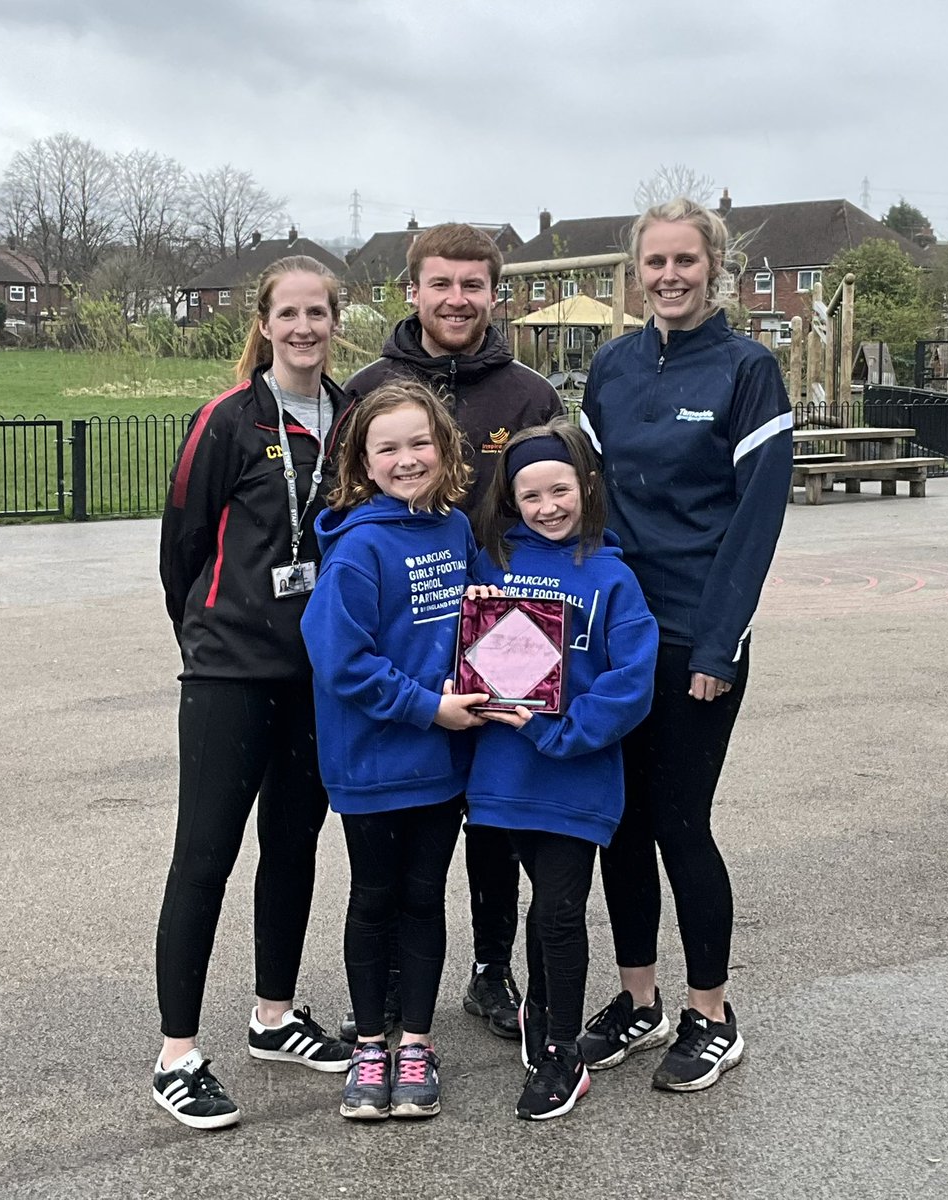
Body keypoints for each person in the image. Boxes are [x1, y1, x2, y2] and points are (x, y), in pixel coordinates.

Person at [577, 198, 793, 1092]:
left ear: (715, 269)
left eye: (685, 262)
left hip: (696, 640)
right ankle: (639, 999)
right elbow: (585, 504)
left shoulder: (747, 372)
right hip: (617, 637)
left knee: (678, 823)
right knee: (618, 826)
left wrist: (716, 647)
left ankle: (711, 1012)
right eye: (654, 264)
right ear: (637, 274)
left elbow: (755, 520)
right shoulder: (611, 369)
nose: (669, 277)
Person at [343, 222, 563, 1041]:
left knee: (496, 819)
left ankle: (488, 968)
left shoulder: (528, 393)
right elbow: (343, 507)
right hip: (408, 646)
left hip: (504, 640)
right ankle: (391, 1001)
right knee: (405, 839)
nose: (456, 299)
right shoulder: (367, 386)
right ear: (413, 291)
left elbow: (552, 501)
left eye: (473, 285)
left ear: (494, 294)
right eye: (441, 283)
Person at [153, 255, 355, 1131]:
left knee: (293, 845)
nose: (304, 327)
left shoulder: (351, 420)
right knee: (204, 854)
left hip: (316, 678)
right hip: (231, 672)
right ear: (265, 323)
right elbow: (181, 547)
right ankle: (176, 1054)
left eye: (318, 312)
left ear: (334, 321)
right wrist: (208, 632)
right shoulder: (227, 420)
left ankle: (274, 1015)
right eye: (289, 313)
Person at [300, 378, 489, 1120]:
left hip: (442, 761)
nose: (407, 458)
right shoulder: (356, 550)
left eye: (421, 443)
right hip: (375, 762)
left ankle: (417, 1042)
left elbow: (482, 618)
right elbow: (341, 662)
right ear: (363, 462)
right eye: (389, 448)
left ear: (444, 450)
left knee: (423, 899)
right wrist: (427, 708)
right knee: (375, 900)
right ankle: (370, 1044)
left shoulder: (455, 531)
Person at [466, 421, 657, 1120]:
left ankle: (561, 1054)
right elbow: (469, 649)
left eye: (559, 489)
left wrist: (566, 732)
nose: (547, 506)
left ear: (585, 488)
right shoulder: (492, 567)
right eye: (529, 494)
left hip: (576, 774)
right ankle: (541, 1009)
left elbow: (632, 681)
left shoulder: (614, 578)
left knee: (558, 907)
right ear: (510, 500)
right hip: (503, 773)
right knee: (538, 899)